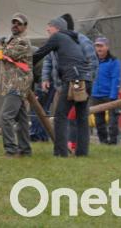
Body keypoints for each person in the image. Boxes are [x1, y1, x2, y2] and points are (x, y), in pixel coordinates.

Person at [33, 17, 91, 158]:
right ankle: (82, 153)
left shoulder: (58, 37)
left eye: (50, 26)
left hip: (74, 80)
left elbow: (40, 53)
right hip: (86, 79)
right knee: (82, 116)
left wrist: (23, 63)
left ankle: (60, 152)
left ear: (57, 28)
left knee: (60, 115)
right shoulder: (72, 39)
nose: (47, 29)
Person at [0, 13, 33, 157]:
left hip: (17, 83)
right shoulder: (13, 39)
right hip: (15, 82)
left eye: (19, 24)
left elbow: (6, 54)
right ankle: (25, 149)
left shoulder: (22, 41)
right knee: (22, 118)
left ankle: (11, 150)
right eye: (14, 23)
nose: (15, 26)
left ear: (25, 26)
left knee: (5, 117)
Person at [90, 37, 121, 145]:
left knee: (113, 121)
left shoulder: (114, 61)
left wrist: (113, 96)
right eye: (97, 46)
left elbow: (115, 78)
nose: (99, 48)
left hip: (109, 95)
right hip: (96, 95)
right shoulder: (92, 61)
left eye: (101, 46)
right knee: (99, 122)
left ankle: (113, 143)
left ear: (107, 47)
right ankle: (103, 142)